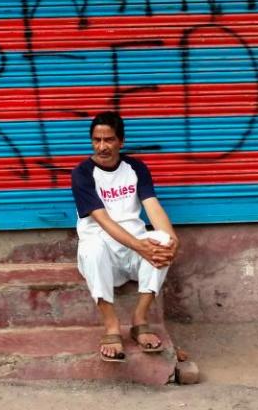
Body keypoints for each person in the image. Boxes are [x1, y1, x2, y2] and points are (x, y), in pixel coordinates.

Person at [70, 111, 179, 362]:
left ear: (121, 141)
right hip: (102, 250)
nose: (102, 146)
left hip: (132, 249)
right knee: (92, 248)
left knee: (163, 242)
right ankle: (111, 326)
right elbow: (103, 220)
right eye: (96, 140)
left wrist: (173, 239)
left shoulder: (136, 168)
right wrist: (141, 247)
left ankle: (140, 320)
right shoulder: (82, 173)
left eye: (108, 140)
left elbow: (152, 206)